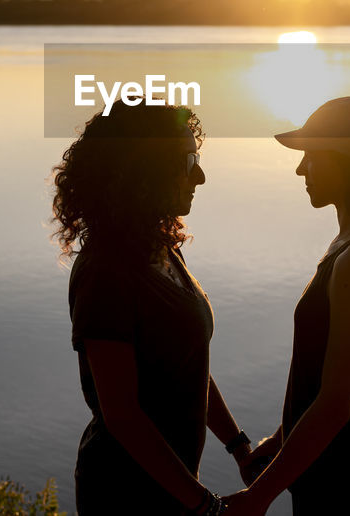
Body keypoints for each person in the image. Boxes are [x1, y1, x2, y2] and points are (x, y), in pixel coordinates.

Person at [52, 100, 253, 516]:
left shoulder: (160, 248)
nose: (200, 175)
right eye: (188, 161)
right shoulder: (106, 271)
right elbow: (122, 415)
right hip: (125, 492)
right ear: (144, 170)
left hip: (174, 487)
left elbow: (187, 364)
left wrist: (239, 448)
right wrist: (206, 506)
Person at [225, 97, 350, 516]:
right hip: (330, 482)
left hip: (344, 493)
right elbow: (319, 383)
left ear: (345, 162)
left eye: (311, 156)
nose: (300, 169)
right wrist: (277, 444)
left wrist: (257, 499)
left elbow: (335, 405)